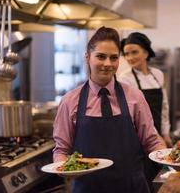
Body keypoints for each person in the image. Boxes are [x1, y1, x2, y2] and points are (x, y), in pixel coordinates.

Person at [52, 26, 166, 193]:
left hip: (132, 187)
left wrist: (172, 159)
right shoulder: (70, 101)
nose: (108, 64)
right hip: (87, 188)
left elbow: (151, 141)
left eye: (114, 58)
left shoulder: (135, 96)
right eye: (101, 57)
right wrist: (63, 168)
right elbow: (61, 149)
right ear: (87, 57)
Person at [118, 32, 172, 193]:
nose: (130, 57)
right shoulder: (124, 79)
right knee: (145, 178)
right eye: (126, 53)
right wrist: (155, 135)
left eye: (134, 52)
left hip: (159, 135)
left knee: (161, 176)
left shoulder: (158, 74)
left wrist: (166, 132)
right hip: (139, 138)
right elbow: (134, 116)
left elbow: (164, 106)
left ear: (146, 52)